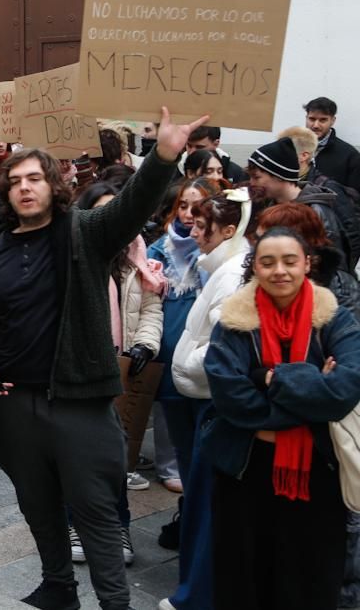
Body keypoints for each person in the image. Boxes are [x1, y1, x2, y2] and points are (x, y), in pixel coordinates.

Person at [0, 107, 206, 610]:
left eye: (35, 179)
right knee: (38, 506)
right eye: (16, 181)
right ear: (5, 193)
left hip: (80, 406)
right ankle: (58, 588)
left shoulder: (85, 231)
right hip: (13, 404)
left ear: (53, 186)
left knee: (96, 514)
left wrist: (163, 154)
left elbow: (134, 205)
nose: (25, 188)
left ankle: (115, 602)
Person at [204, 227, 360, 610]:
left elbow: (343, 392)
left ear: (308, 263)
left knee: (310, 577)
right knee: (244, 577)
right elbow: (231, 398)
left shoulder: (336, 320)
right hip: (246, 470)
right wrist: (312, 387)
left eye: (290, 261)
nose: (280, 271)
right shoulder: (234, 322)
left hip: (318, 471)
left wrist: (268, 378)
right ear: (254, 267)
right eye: (267, 262)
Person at [158, 189, 254, 610]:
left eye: (202, 226)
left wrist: (186, 364)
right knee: (198, 498)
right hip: (200, 395)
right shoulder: (221, 265)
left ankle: (194, 596)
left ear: (228, 230)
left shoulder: (231, 273)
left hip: (208, 398)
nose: (193, 232)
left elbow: (221, 341)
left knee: (204, 500)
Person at [66, 183, 165, 566]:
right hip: (79, 371)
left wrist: (145, 345)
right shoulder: (74, 256)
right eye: (102, 213)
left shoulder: (140, 264)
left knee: (114, 457)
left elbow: (152, 311)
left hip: (122, 372)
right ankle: (75, 524)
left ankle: (116, 528)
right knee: (75, 454)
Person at [248, 137, 354, 270]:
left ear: (279, 175)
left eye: (256, 177)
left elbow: (334, 267)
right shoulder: (269, 206)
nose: (251, 183)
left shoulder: (317, 211)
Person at [304, 96, 360, 194]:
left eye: (323, 120)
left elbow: (355, 197)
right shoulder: (290, 146)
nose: (316, 125)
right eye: (312, 119)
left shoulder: (350, 156)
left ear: (333, 121)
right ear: (306, 118)